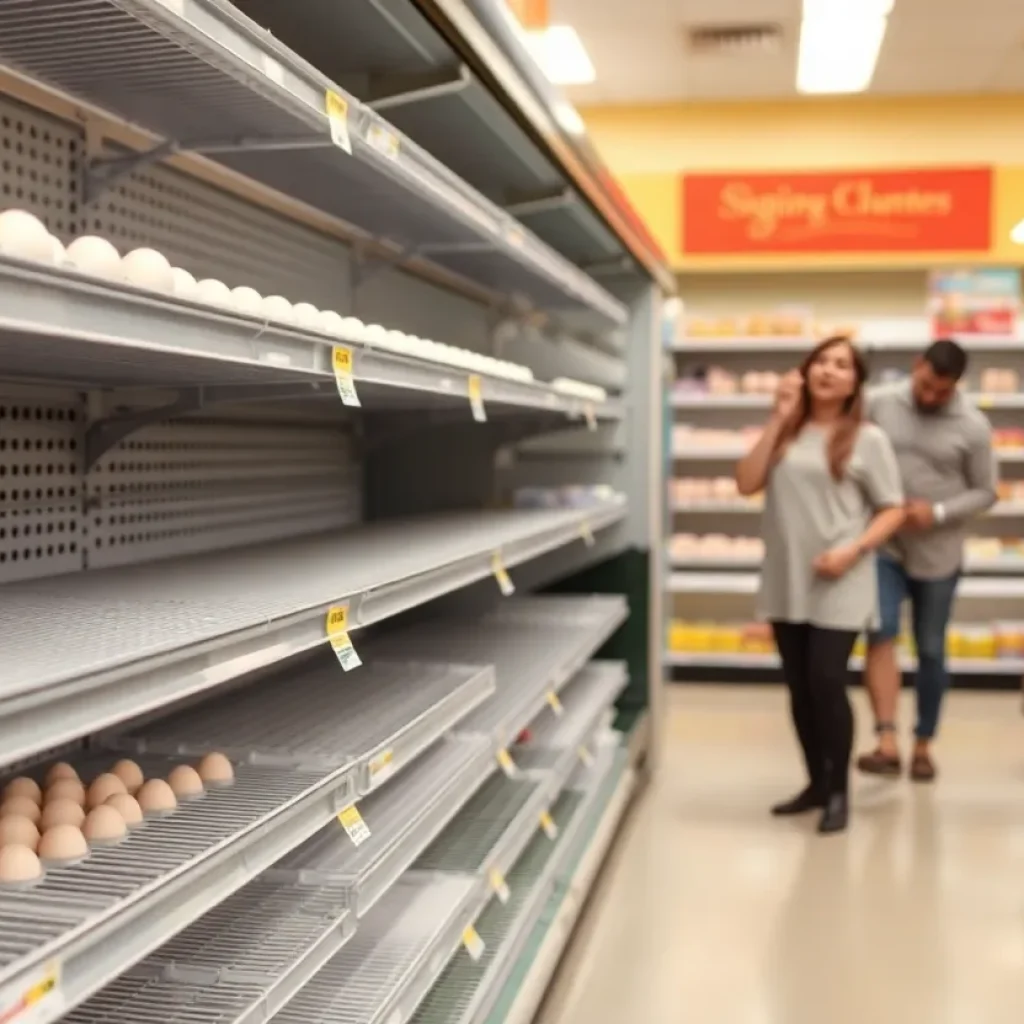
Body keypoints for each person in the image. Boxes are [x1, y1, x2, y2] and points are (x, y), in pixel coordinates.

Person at [736, 336, 906, 834]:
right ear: (805, 371)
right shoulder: (787, 433)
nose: (828, 371)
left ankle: (838, 793)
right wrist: (779, 416)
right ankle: (814, 782)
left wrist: (853, 550)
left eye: (841, 365)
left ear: (855, 382)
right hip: (787, 577)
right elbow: (746, 482)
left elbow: (893, 507)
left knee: (828, 683)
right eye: (821, 362)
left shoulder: (867, 439)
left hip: (841, 576)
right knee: (799, 688)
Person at [857, 339, 997, 782]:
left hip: (939, 554)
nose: (931, 396)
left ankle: (923, 744)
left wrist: (934, 513)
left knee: (931, 648)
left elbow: (986, 491)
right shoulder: (877, 403)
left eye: (942, 391)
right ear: (915, 366)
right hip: (884, 545)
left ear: (957, 385)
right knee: (880, 636)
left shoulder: (973, 426)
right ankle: (885, 741)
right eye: (925, 385)